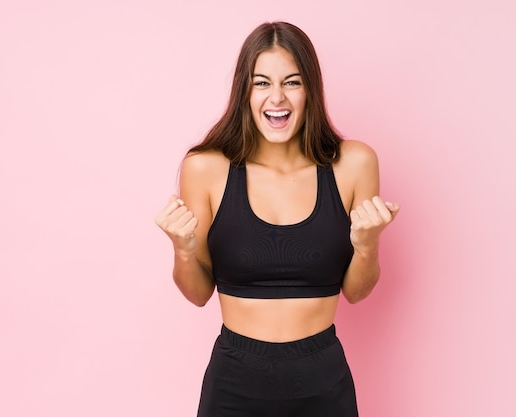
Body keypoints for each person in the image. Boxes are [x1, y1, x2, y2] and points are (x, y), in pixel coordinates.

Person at [155, 21, 399, 417]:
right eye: (262, 83)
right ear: (244, 92)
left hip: (323, 381)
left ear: (311, 90)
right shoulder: (206, 169)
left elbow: (356, 292)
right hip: (235, 382)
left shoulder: (353, 163)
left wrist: (367, 245)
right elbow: (199, 293)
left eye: (292, 82)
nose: (277, 97)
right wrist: (183, 250)